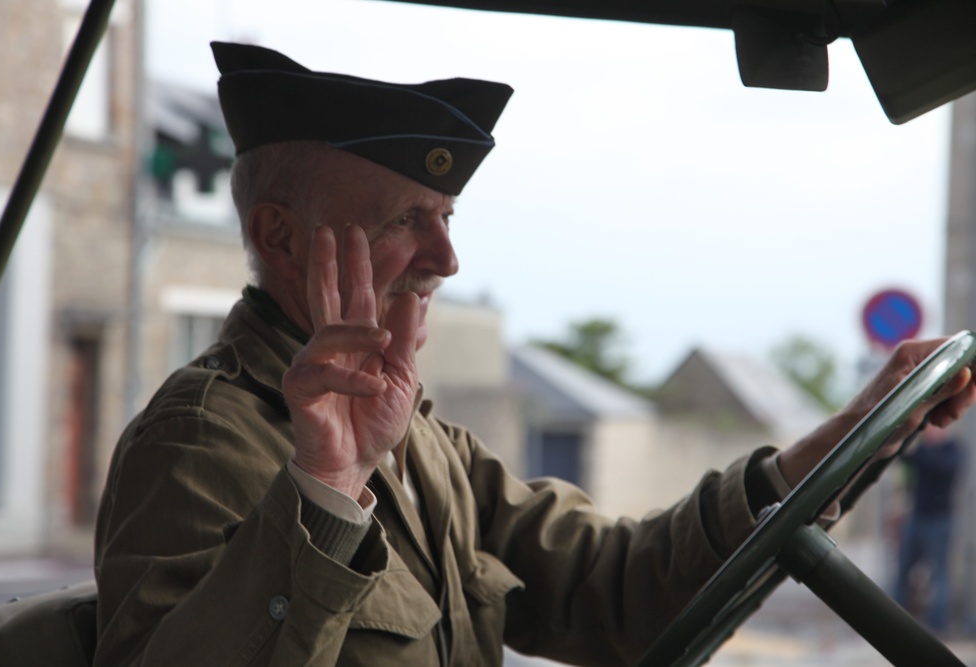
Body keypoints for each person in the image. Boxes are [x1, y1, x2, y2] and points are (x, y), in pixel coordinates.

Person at [92, 41, 976, 667]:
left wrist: (856, 433)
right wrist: (324, 494)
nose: (447, 260)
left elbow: (613, 590)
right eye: (406, 221)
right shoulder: (199, 444)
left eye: (447, 220)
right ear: (278, 235)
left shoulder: (416, 437)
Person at [892, 423, 964, 634]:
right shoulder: (922, 450)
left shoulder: (953, 450)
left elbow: (943, 469)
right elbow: (901, 456)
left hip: (940, 521)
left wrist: (919, 449)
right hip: (917, 518)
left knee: (939, 575)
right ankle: (894, 620)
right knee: (902, 570)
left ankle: (938, 626)